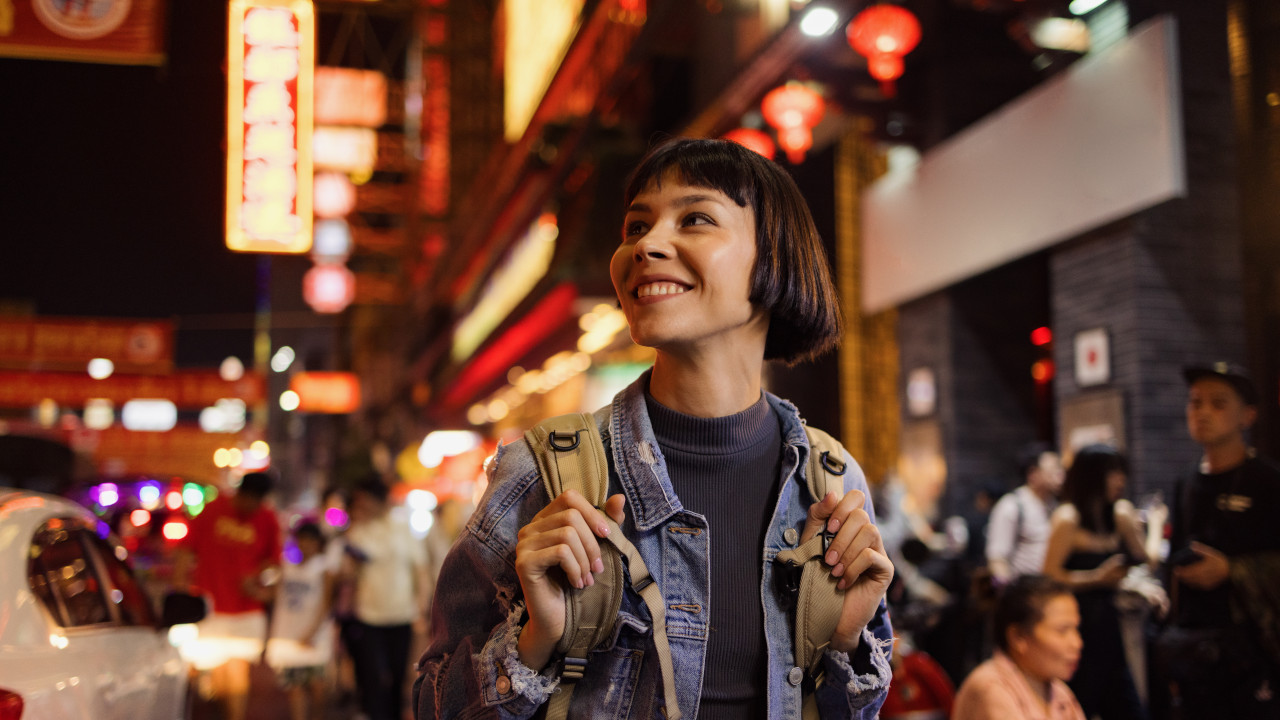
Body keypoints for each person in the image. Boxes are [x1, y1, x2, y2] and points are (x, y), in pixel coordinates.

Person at [413, 137, 895, 719]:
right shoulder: (543, 473)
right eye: (636, 225)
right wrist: (534, 640)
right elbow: (434, 704)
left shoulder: (831, 481)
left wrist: (844, 643)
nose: (647, 245)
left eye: (694, 219)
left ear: (774, 258)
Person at [1156, 362, 1280, 719]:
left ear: (1248, 415)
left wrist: (1232, 569)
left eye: (1218, 403)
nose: (1203, 412)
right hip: (1194, 651)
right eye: (1195, 402)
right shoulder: (1186, 484)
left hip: (1257, 651)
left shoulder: (1268, 481)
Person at [1042, 444, 1159, 720]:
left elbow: (1146, 558)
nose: (1120, 480)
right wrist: (1097, 578)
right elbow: (1049, 575)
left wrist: (1153, 524)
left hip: (1108, 625)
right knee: (1079, 704)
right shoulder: (1067, 518)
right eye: (1112, 473)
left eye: (1121, 472)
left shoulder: (1117, 515)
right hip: (1077, 627)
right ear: (1092, 476)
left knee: (1129, 707)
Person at [173, 471, 281, 720]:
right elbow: (185, 549)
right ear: (240, 493)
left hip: (247, 610)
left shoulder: (267, 519)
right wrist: (180, 589)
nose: (253, 507)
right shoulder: (213, 510)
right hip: (211, 607)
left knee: (237, 671)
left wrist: (257, 579)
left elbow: (274, 564)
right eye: (250, 500)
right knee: (220, 675)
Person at [341, 476, 428, 720]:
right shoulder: (358, 531)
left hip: (401, 613)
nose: (360, 505)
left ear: (376, 500)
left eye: (363, 499)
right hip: (369, 615)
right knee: (373, 676)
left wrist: (421, 607)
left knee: (398, 675)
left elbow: (420, 570)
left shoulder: (402, 527)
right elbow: (348, 574)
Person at [952, 575, 1086, 720]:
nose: (1077, 643)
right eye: (1062, 630)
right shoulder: (990, 687)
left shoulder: (1059, 691)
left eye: (1076, 629)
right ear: (1018, 637)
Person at [267, 521, 337, 720]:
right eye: (302, 539)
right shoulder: (286, 568)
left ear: (318, 543)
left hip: (315, 636)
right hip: (288, 634)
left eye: (310, 540)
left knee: (316, 686)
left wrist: (312, 632)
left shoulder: (324, 568)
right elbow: (273, 596)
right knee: (295, 687)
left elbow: (326, 603)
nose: (305, 544)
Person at [986, 443, 1064, 586]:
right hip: (1024, 590)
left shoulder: (1056, 506)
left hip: (1051, 589)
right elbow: (997, 558)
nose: (1060, 476)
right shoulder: (1012, 505)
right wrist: (1006, 592)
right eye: (1053, 470)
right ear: (1033, 474)